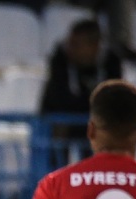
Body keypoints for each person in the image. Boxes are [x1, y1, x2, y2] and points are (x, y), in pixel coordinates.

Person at [40, 20, 124, 167]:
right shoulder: (60, 58)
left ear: (95, 46)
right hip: (67, 124)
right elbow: (59, 100)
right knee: (59, 126)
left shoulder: (111, 61)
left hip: (93, 123)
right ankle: (56, 179)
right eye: (70, 44)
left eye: (77, 45)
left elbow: (113, 101)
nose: (71, 49)